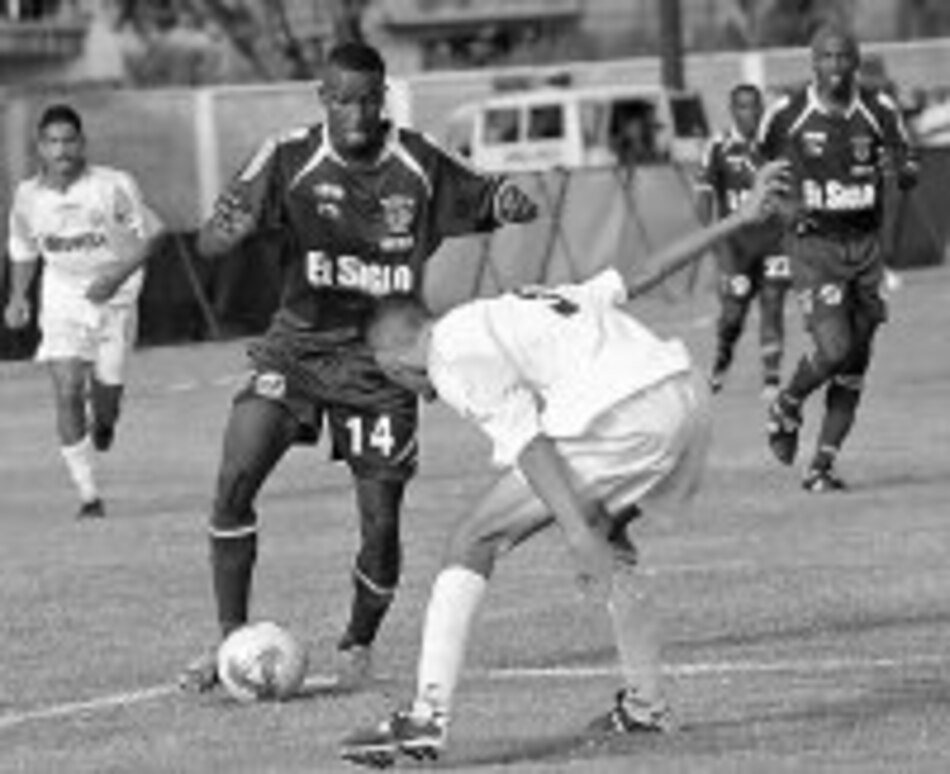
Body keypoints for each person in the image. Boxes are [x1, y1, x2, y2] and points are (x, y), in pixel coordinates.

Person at [339, 159, 789, 767]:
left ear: (394, 359)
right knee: (613, 537)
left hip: (626, 413)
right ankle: (646, 707)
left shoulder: (450, 354)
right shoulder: (512, 305)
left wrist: (574, 532)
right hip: (680, 394)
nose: (395, 386)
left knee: (472, 538)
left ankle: (425, 719)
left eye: (385, 375)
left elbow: (530, 441)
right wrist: (738, 218)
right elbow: (643, 272)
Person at [177, 41, 538, 693]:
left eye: (369, 99)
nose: (357, 113)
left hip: (383, 367)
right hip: (296, 350)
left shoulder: (418, 164)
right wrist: (219, 235)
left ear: (384, 97)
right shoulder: (287, 157)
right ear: (323, 99)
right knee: (235, 476)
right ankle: (229, 643)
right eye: (343, 99)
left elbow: (491, 196)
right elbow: (212, 237)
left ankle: (357, 644)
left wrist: (511, 201)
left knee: (380, 523)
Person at [759, 23, 918, 492]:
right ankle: (787, 403)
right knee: (834, 349)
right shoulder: (787, 113)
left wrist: (903, 171)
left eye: (843, 57)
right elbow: (757, 169)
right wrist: (788, 209)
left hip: (865, 249)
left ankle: (820, 468)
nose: (835, 66)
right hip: (815, 248)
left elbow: (908, 163)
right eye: (826, 57)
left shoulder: (879, 108)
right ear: (813, 62)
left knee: (856, 360)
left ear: (856, 60)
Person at [4, 103, 164, 520]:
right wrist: (18, 296)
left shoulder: (112, 186)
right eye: (53, 142)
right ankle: (89, 494)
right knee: (67, 388)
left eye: (69, 140)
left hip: (117, 295)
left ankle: (106, 419)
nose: (62, 150)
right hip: (62, 295)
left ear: (82, 143)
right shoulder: (26, 196)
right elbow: (23, 249)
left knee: (105, 397)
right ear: (40, 147)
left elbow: (154, 236)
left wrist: (116, 276)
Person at [695, 83, 790, 399]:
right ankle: (721, 361)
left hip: (773, 241)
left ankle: (772, 378)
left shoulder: (776, 145)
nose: (752, 113)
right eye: (745, 107)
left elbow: (793, 192)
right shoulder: (718, 146)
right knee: (734, 314)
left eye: (756, 106)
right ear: (733, 110)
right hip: (735, 246)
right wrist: (711, 238)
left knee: (773, 303)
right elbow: (704, 196)